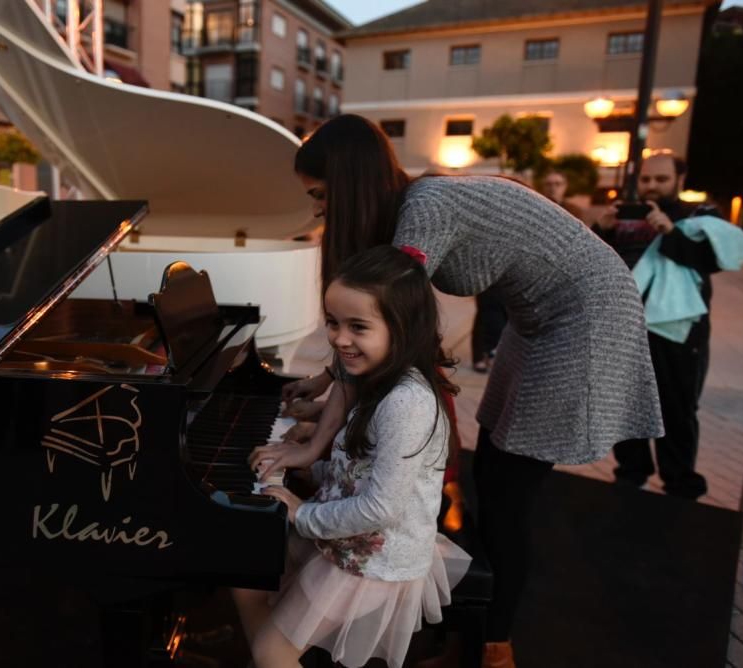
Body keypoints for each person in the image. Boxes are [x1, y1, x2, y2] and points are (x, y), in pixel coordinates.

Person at [259, 114, 662, 668]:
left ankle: (493, 644)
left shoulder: (426, 211)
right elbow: (364, 341)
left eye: (321, 195)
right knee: (493, 471)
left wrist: (311, 444)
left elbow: (389, 331)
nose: (318, 210)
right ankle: (474, 622)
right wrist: (326, 385)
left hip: (585, 316)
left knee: (507, 491)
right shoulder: (412, 209)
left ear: (350, 183)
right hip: (535, 319)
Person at [237, 245, 471, 668]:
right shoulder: (376, 378)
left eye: (357, 327)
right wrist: (312, 468)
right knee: (244, 577)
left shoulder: (407, 403)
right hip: (345, 533)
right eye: (332, 323)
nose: (339, 339)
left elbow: (380, 506)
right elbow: (360, 468)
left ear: (403, 328)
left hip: (372, 559)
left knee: (271, 651)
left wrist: (300, 512)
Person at [594, 152, 743, 499]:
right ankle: (631, 473)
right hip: (628, 327)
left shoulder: (701, 216)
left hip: (679, 332)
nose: (652, 186)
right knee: (626, 403)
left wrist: (670, 232)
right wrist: (602, 228)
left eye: (661, 179)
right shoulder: (625, 215)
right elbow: (597, 259)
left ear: (680, 179)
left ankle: (678, 482)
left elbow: (714, 261)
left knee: (677, 406)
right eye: (646, 179)